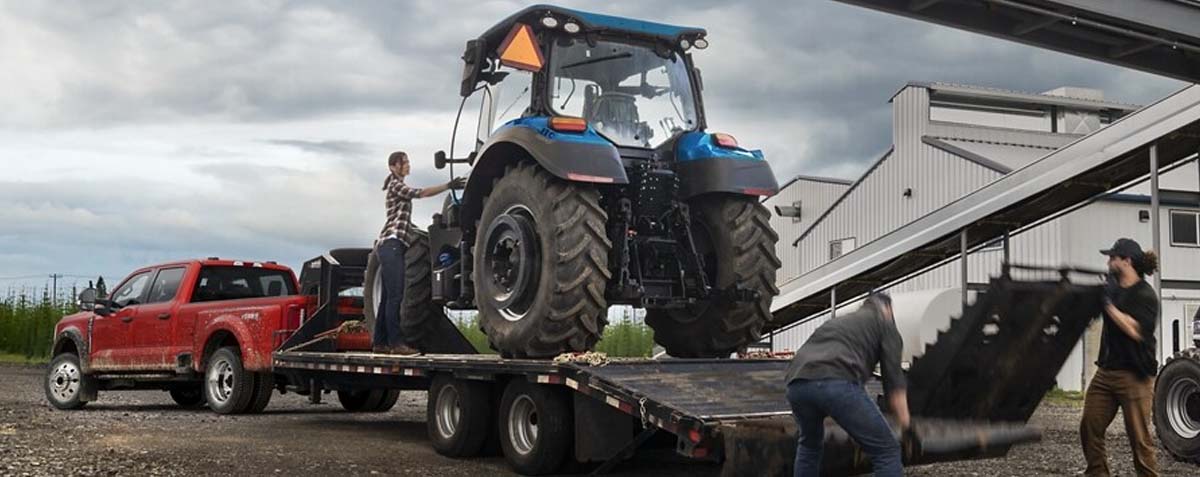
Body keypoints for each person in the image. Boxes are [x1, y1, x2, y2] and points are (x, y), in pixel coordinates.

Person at [785, 293, 909, 477]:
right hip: (836, 383)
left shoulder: (837, 322)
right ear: (887, 310)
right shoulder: (885, 324)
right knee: (887, 450)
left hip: (797, 384)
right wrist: (905, 423)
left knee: (809, 445)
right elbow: (893, 378)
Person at [1081, 238, 1160, 477]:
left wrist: (1107, 304)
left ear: (1127, 261)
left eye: (1112, 258)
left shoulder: (1145, 295)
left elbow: (1133, 330)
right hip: (1106, 372)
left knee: (1139, 439)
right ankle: (1097, 473)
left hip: (1135, 376)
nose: (1108, 262)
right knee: (1089, 426)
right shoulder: (1112, 288)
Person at [374, 151, 465, 355]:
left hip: (392, 245)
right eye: (404, 162)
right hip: (391, 244)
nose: (408, 165)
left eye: (408, 162)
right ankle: (396, 343)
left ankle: (379, 343)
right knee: (396, 296)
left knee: (388, 296)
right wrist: (447, 186)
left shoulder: (396, 184)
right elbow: (421, 193)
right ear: (393, 166)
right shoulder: (396, 185)